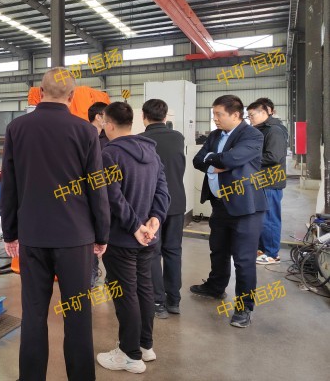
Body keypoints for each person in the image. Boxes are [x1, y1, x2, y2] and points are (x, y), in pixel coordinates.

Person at [0, 68, 110, 381]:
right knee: (78, 316)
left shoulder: (17, 128)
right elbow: (97, 187)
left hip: (33, 236)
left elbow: (9, 186)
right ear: (72, 96)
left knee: (34, 316)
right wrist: (102, 233)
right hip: (75, 237)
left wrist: (10, 232)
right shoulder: (86, 131)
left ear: (40, 92)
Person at [97, 102, 170, 374]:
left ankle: (130, 355)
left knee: (125, 294)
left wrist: (134, 226)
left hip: (122, 239)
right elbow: (163, 190)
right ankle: (145, 345)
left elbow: (113, 197)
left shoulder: (109, 154)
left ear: (109, 124)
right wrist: (155, 219)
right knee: (144, 290)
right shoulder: (151, 152)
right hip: (148, 237)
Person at [191, 95, 267, 328]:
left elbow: (233, 159)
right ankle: (215, 287)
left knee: (243, 260)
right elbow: (197, 160)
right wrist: (216, 162)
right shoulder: (215, 135)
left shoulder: (252, 135)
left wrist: (214, 159)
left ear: (235, 115)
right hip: (220, 204)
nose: (215, 119)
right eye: (214, 114)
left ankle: (244, 308)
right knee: (218, 250)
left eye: (219, 114)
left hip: (245, 208)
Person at [140, 99, 186, 318]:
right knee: (173, 250)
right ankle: (174, 300)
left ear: (144, 117)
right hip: (176, 202)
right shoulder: (178, 137)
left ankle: (157, 302)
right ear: (165, 117)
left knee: (152, 253)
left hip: (151, 206)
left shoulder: (141, 140)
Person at [247, 100, 288, 264]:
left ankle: (272, 254)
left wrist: (248, 159)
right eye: (248, 116)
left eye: (252, 115)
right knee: (261, 218)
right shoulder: (261, 130)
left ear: (266, 112)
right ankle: (262, 249)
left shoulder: (274, 131)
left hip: (270, 181)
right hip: (261, 180)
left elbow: (273, 156)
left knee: (270, 218)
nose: (250, 118)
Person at [88, 101, 110, 287]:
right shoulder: (83, 136)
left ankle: (108, 274)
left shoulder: (106, 139)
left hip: (105, 194)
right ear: (98, 116)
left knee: (103, 236)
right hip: (86, 195)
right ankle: (92, 276)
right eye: (106, 115)